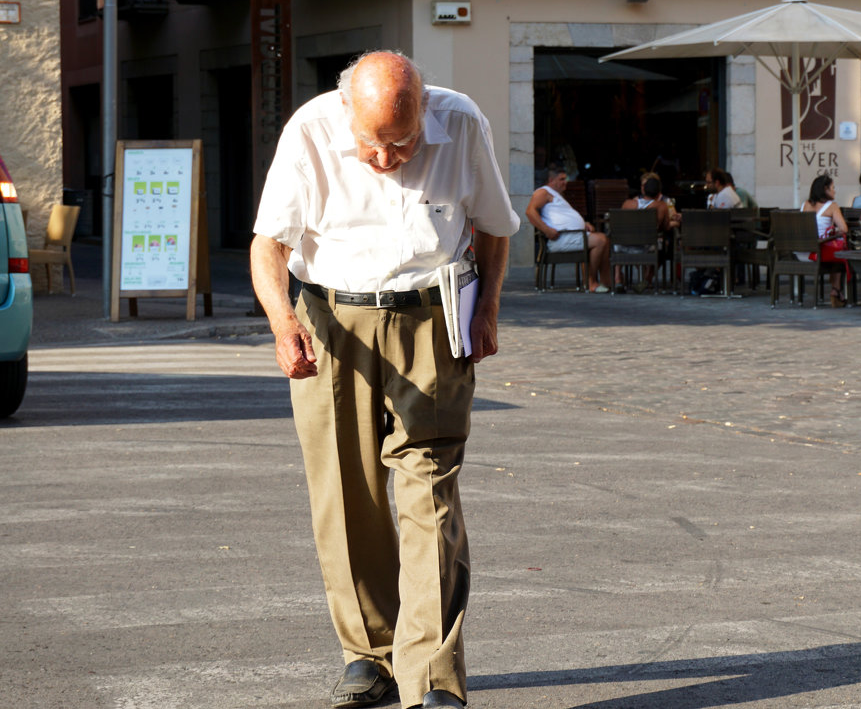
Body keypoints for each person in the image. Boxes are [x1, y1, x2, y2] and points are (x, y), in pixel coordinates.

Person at [249, 51, 520, 709]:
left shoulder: (461, 122)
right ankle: (369, 654)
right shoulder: (311, 129)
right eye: (372, 143)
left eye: (402, 142)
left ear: (423, 109)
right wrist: (283, 323)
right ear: (347, 110)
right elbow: (269, 245)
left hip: (431, 317)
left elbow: (493, 227)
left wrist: (487, 310)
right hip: (330, 320)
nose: (385, 158)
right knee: (346, 493)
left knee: (430, 490)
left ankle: (432, 675)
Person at [525, 167, 612, 292]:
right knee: (601, 240)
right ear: (551, 180)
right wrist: (547, 230)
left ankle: (606, 280)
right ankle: (590, 282)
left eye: (565, 179)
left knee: (605, 240)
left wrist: (583, 223)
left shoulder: (557, 195)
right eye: (561, 179)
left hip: (573, 236)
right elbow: (530, 211)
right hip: (561, 238)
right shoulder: (544, 192)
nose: (565, 182)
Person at [800, 173, 850, 307]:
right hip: (817, 253)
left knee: (835, 253)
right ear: (825, 189)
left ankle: (835, 290)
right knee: (840, 253)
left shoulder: (804, 205)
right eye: (833, 188)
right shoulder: (832, 206)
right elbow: (844, 229)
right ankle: (836, 290)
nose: (835, 191)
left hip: (801, 253)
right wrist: (835, 230)